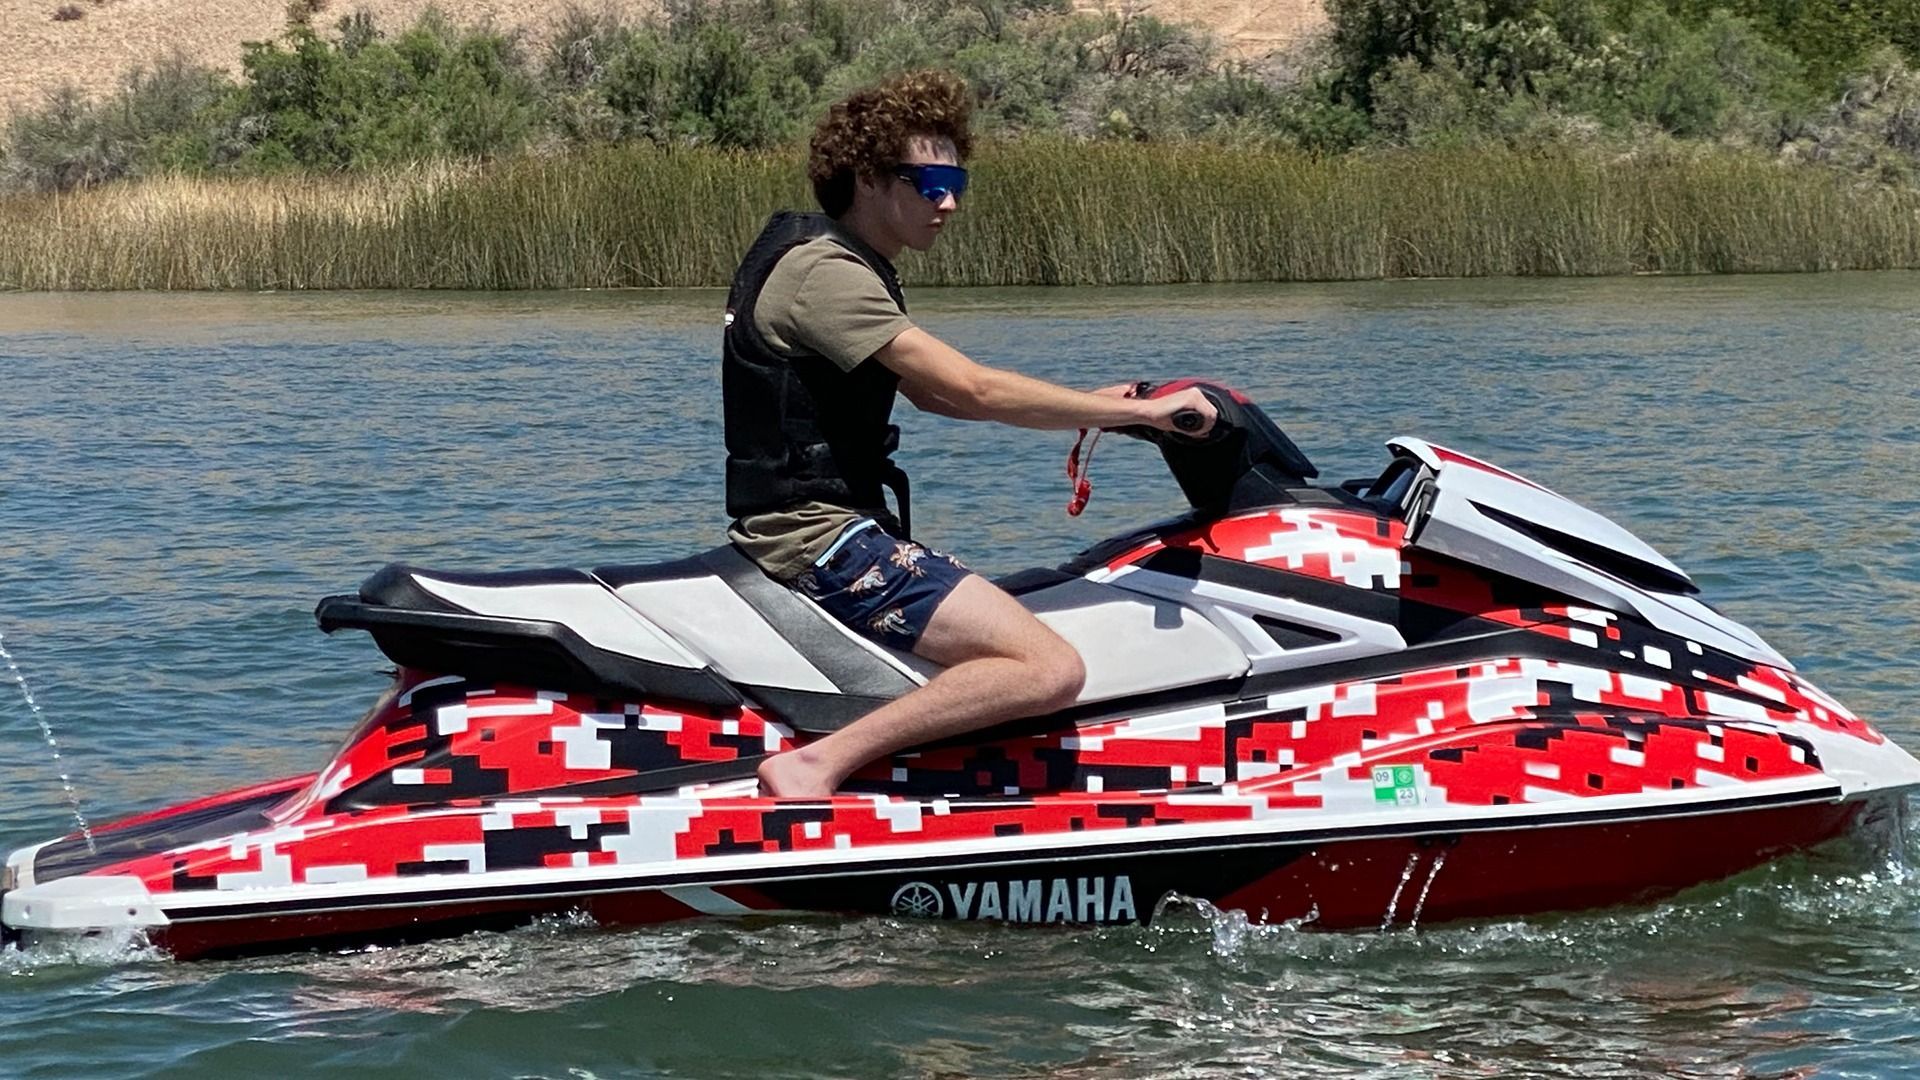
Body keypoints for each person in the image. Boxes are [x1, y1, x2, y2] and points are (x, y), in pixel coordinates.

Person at [724, 70, 1216, 798]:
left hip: (834, 526)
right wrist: (1138, 415)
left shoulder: (849, 266)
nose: (948, 201)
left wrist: (1091, 406)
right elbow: (969, 387)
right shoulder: (821, 275)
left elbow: (929, 396)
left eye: (957, 179)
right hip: (817, 538)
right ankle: (816, 764)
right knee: (1049, 667)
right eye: (928, 181)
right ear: (866, 178)